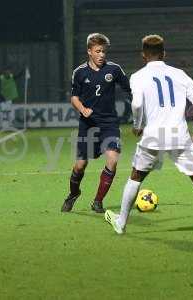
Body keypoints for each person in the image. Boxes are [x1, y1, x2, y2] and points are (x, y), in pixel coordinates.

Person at [104, 34, 193, 234]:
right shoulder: (180, 74)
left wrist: (137, 124)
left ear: (143, 56)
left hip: (153, 136)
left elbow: (136, 104)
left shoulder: (138, 76)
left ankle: (121, 223)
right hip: (180, 135)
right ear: (164, 53)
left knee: (136, 176)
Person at [61, 33, 131, 213]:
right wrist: (82, 109)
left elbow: (130, 88)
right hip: (88, 125)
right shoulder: (79, 72)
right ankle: (73, 194)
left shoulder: (114, 69)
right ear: (89, 52)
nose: (102, 55)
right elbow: (74, 98)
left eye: (103, 51)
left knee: (113, 160)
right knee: (80, 165)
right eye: (98, 51)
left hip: (109, 123)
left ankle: (98, 201)